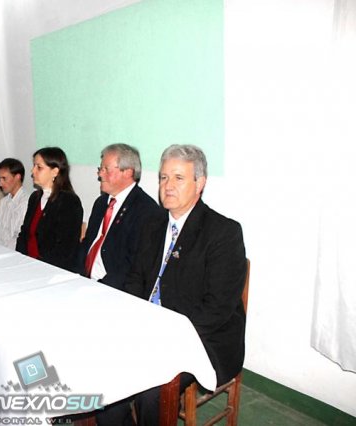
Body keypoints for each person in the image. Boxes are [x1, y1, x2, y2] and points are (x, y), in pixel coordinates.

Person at [110, 144, 247, 426]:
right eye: (163, 177)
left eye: (178, 178)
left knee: (152, 391)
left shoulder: (223, 232)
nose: (168, 185)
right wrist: (133, 318)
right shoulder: (152, 224)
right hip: (149, 324)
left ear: (200, 183)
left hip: (201, 337)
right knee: (102, 361)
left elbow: (217, 309)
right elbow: (136, 279)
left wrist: (165, 336)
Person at [78, 143, 162, 292]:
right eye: (100, 169)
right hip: (84, 282)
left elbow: (132, 267)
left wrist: (96, 288)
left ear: (128, 172)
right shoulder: (101, 203)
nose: (100, 174)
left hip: (111, 290)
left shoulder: (146, 211)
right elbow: (87, 244)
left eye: (106, 169)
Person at [16, 147, 83, 272]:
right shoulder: (35, 197)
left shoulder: (69, 202)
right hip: (28, 264)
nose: (32, 171)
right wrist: (20, 260)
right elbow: (24, 234)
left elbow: (65, 249)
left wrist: (37, 267)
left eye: (39, 167)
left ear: (55, 172)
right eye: (34, 166)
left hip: (52, 270)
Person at [0, 158, 30, 249]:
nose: (0, 184)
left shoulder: (26, 202)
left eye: (4, 178)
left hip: (12, 252)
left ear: (17, 177)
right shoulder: (3, 201)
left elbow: (17, 239)